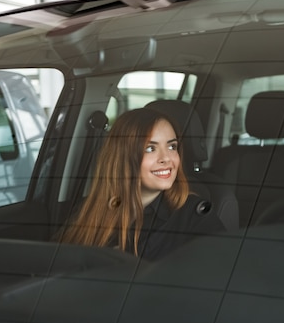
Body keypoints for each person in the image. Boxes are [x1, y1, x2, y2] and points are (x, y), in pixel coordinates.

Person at [59, 107, 225, 259]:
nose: (166, 158)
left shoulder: (196, 216)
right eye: (150, 148)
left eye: (172, 146)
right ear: (123, 156)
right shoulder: (87, 210)